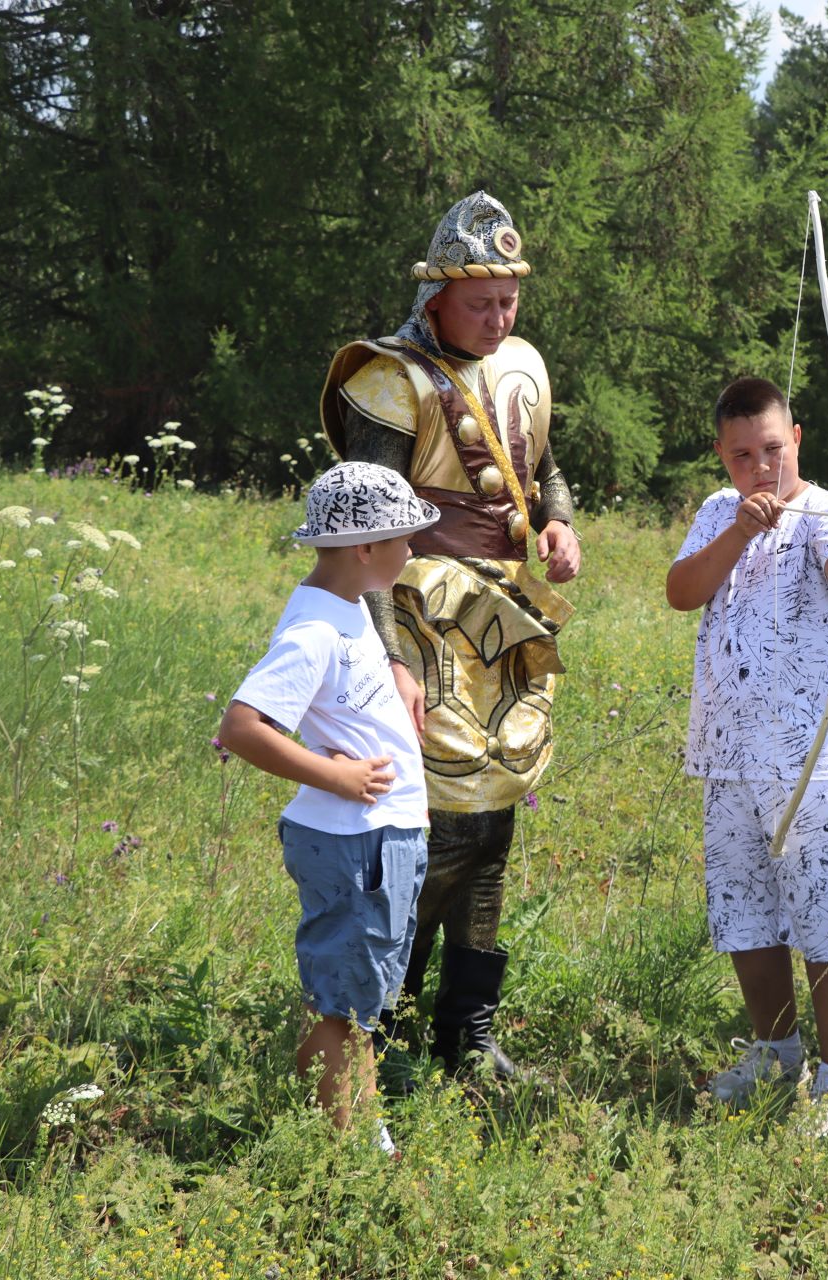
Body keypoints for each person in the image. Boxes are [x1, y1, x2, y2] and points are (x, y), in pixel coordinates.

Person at [319, 190, 580, 1079]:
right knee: (433, 831)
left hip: (500, 625)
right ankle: (384, 1026)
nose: (500, 317)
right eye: (482, 302)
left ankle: (468, 1037)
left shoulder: (523, 364)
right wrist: (390, 657)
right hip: (411, 621)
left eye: (510, 300)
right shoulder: (385, 382)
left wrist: (557, 523)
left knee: (496, 821)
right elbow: (362, 534)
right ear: (435, 297)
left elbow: (541, 466)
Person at [666, 375, 828, 1136]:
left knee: (826, 916)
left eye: (774, 450)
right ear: (723, 457)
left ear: (799, 443)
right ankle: (775, 1049)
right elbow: (682, 591)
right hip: (727, 758)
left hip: (813, 761)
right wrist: (740, 531)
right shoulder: (717, 513)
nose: (762, 468)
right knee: (745, 915)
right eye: (743, 455)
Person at [216, 463, 439, 1155]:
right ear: (365, 549)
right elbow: (241, 727)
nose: (413, 550)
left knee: (357, 999)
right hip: (357, 844)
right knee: (343, 1006)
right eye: (404, 538)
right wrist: (334, 778)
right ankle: (346, 1150)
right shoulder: (314, 630)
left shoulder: (345, 606)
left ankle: (354, 1125)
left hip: (379, 839)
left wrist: (396, 670)